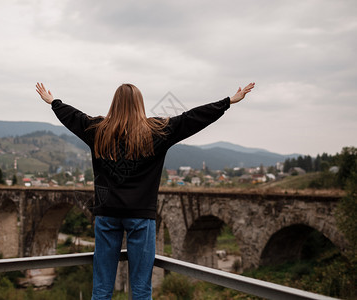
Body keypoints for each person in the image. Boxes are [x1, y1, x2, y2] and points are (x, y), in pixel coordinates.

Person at [36, 81, 255, 299]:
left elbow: (73, 117)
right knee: (141, 290)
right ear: (139, 105)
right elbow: (193, 118)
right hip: (141, 217)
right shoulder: (157, 131)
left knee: (101, 289)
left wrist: (53, 102)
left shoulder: (98, 131)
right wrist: (227, 102)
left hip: (106, 215)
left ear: (114, 104)